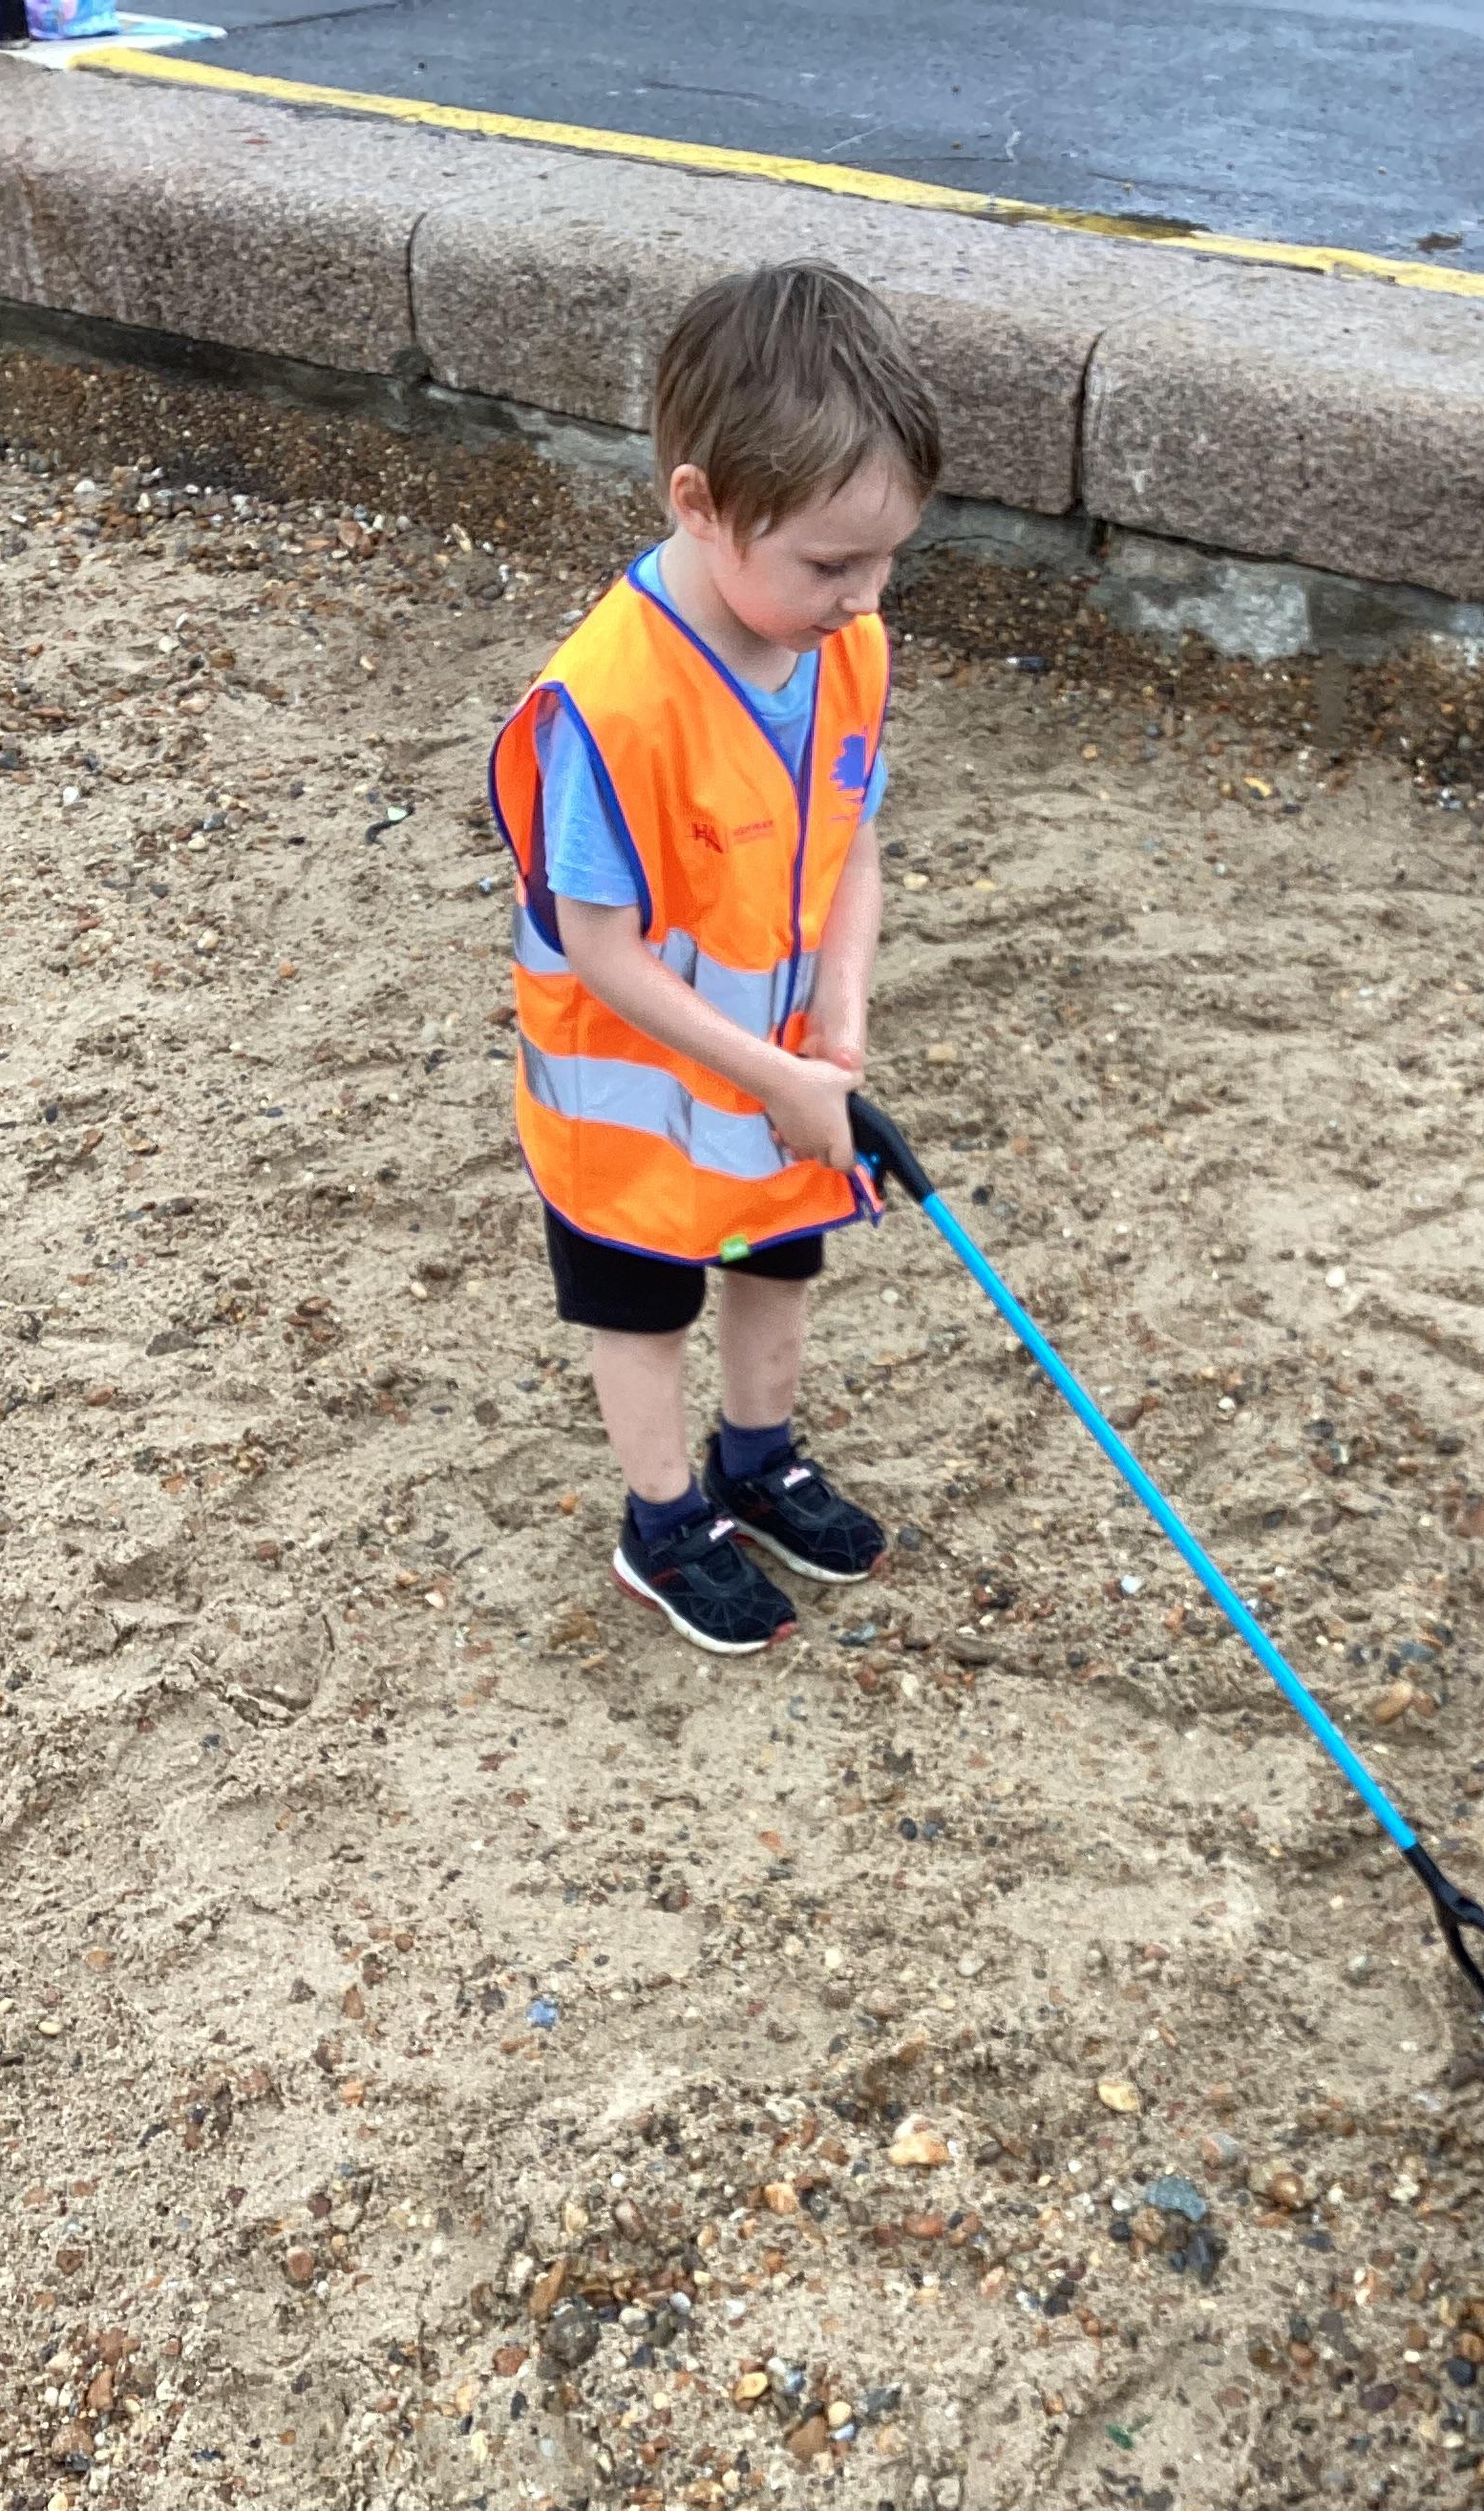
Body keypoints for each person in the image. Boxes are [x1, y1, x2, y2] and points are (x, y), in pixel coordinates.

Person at [491, 261, 941, 1652]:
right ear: (698, 503)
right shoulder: (614, 703)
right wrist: (775, 1071)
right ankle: (665, 1518)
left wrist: (837, 1025)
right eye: (830, 564)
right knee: (643, 1302)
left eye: (887, 558)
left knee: (777, 1260)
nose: (864, 597)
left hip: (779, 1071)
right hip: (630, 1099)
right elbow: (598, 947)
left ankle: (760, 1459)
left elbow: (851, 843)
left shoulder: (842, 647)